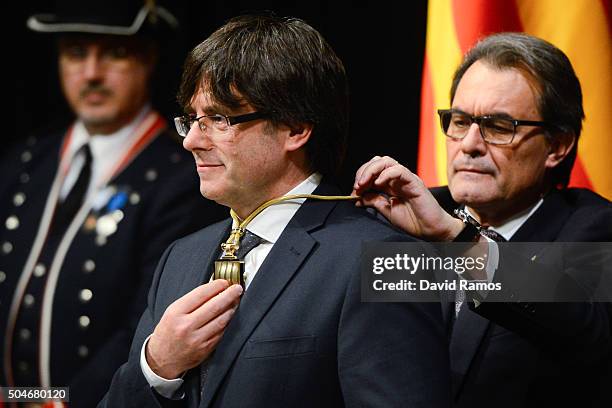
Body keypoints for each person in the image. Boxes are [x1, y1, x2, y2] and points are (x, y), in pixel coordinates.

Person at [101, 14, 452, 408]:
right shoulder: (179, 258)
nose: (192, 141)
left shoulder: (382, 259)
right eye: (193, 120)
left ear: (295, 128)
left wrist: (459, 242)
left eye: (218, 119)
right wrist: (157, 368)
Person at [353, 32, 612, 407]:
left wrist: (460, 241)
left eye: (498, 126)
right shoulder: (394, 218)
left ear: (557, 146)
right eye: (460, 121)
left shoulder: (594, 228)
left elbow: (586, 329)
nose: (470, 144)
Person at [0, 1, 226, 406]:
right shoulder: (25, 163)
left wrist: (52, 402)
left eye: (114, 54)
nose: (92, 74)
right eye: (76, 54)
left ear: (148, 59)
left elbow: (145, 325)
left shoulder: (183, 175)